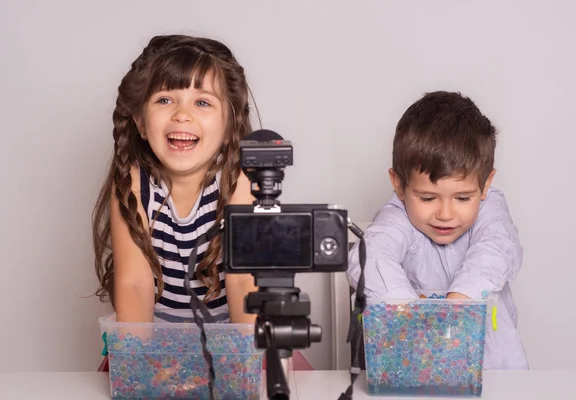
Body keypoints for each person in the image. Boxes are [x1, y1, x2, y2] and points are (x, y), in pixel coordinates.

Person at [93, 34, 313, 371]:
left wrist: (245, 364)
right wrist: (141, 366)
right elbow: (135, 284)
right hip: (159, 345)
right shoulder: (133, 183)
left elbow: (243, 281)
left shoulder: (241, 180)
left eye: (202, 102)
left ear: (229, 126)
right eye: (165, 100)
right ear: (139, 120)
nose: (182, 115)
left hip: (235, 339)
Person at [347, 91, 528, 369]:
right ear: (398, 185)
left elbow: (497, 248)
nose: (445, 214)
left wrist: (457, 304)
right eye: (428, 198)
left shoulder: (490, 207)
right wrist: (415, 320)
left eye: (463, 198)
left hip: (497, 378)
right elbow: (370, 254)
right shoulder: (397, 216)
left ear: (486, 183)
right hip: (418, 377)